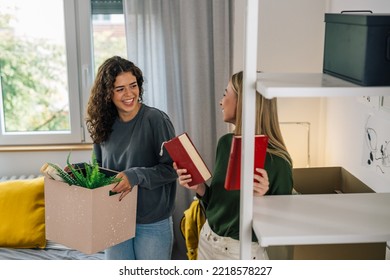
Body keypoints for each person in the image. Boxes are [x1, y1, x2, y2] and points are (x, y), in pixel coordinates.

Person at [174, 71, 293, 260]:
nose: (221, 102)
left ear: (245, 102)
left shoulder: (278, 163)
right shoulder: (225, 143)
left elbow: (281, 226)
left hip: (239, 253)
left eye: (225, 94)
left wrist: (261, 200)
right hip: (206, 240)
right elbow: (217, 202)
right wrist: (200, 188)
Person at [86, 56, 178, 260]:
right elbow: (99, 169)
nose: (129, 94)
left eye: (133, 86)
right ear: (107, 93)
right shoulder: (103, 125)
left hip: (152, 222)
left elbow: (173, 169)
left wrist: (134, 176)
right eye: (120, 89)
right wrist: (78, 173)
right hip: (115, 217)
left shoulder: (156, 119)